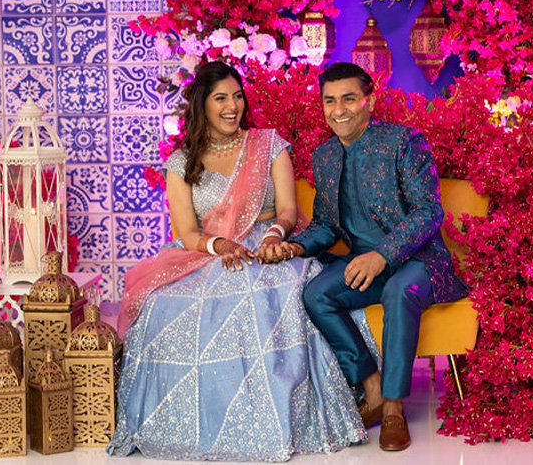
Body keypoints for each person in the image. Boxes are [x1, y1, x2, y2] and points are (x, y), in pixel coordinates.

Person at [108, 61, 366, 461]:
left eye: (238, 96)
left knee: (273, 294)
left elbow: (287, 210)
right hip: (207, 254)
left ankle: (275, 419)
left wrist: (275, 236)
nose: (233, 106)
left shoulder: (268, 144)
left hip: (269, 246)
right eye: (221, 98)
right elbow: (189, 233)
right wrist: (222, 247)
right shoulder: (182, 161)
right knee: (165, 306)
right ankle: (199, 425)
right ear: (202, 104)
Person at [281, 62, 468, 452]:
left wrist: (383, 254)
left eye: (348, 98)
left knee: (400, 289)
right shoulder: (325, 157)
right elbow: (326, 225)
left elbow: (428, 212)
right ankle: (373, 388)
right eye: (329, 101)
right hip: (366, 264)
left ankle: (395, 409)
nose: (339, 110)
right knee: (317, 294)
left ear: (369, 100)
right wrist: (295, 246)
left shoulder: (404, 142)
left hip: (419, 262)